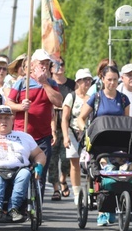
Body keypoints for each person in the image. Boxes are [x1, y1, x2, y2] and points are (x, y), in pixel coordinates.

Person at [77, 64, 130, 226]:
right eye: (109, 80)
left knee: (126, 160)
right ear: (102, 79)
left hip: (118, 141)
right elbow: (81, 118)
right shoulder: (96, 98)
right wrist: (86, 131)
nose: (112, 83)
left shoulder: (123, 99)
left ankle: (116, 206)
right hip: (100, 141)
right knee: (100, 167)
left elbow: (127, 122)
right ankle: (102, 212)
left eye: (115, 80)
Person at [6, 49, 63, 197]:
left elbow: (58, 101)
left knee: (40, 173)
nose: (44, 66)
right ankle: (18, 203)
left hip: (43, 137)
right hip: (22, 134)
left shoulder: (51, 83)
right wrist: (20, 107)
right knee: (20, 172)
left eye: (46, 63)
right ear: (32, 65)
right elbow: (8, 103)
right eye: (41, 63)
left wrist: (44, 83)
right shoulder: (21, 83)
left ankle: (37, 208)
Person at [61, 68, 92, 205]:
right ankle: (77, 192)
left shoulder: (91, 98)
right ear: (78, 82)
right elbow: (65, 118)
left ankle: (89, 192)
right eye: (85, 80)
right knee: (75, 163)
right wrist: (65, 136)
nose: (87, 83)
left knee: (89, 164)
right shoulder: (71, 97)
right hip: (73, 131)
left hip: (87, 133)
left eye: (89, 80)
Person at [48, 58, 75, 201]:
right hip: (51, 120)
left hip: (67, 123)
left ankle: (63, 178)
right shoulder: (49, 84)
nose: (58, 68)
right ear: (51, 68)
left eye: (61, 65)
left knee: (66, 158)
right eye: (55, 65)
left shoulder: (71, 85)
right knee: (52, 158)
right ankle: (56, 188)